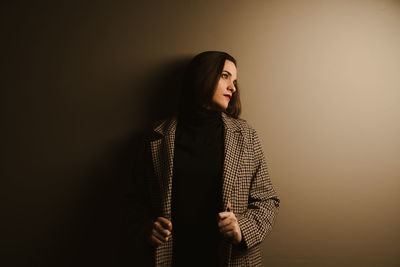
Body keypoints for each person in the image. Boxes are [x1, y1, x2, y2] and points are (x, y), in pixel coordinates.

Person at [128, 51, 280, 267]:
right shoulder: (157, 137)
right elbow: (133, 201)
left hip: (229, 259)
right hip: (172, 259)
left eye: (234, 81)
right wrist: (147, 228)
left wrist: (241, 229)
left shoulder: (246, 136)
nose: (233, 87)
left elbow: (268, 201)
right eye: (225, 76)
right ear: (203, 76)